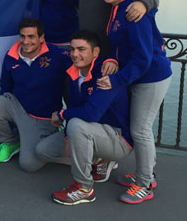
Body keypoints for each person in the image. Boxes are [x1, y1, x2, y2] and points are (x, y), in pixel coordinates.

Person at [97, 0, 172, 204]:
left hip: (151, 77)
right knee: (141, 128)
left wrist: (117, 80)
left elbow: (143, 56)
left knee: (140, 129)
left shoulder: (132, 10)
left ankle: (144, 183)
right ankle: (145, 173)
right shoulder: (118, 7)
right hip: (139, 76)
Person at [34, 30, 132, 205]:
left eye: (81, 49)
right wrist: (66, 136)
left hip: (118, 139)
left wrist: (62, 115)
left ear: (95, 52)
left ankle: (83, 187)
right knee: (43, 150)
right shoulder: (74, 72)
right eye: (72, 49)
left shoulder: (106, 73)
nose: (75, 54)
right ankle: (100, 159)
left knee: (77, 125)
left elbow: (90, 113)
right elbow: (74, 107)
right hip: (91, 131)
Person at [0, 18, 71, 172]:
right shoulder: (11, 55)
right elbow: (6, 88)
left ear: (41, 38)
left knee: (29, 164)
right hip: (18, 107)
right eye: (23, 36)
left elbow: (84, 64)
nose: (26, 41)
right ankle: (11, 141)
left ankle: (86, 157)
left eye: (31, 36)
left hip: (42, 118)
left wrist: (110, 62)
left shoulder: (59, 55)